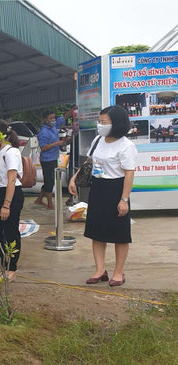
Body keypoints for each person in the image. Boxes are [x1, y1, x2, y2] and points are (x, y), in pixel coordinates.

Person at [69, 105, 136, 287]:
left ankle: (118, 272)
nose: (100, 125)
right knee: (97, 231)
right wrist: (74, 178)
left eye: (104, 122)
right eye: (100, 121)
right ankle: (100, 270)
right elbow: (89, 161)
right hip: (98, 188)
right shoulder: (98, 140)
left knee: (119, 234)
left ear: (117, 123)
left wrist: (124, 200)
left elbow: (129, 173)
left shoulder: (126, 146)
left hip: (116, 189)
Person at [0, 119, 25, 282]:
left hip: (12, 194)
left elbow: (11, 180)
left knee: (10, 231)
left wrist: (6, 205)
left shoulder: (11, 152)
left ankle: (12, 267)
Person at [34, 108, 74, 210]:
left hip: (53, 157)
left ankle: (39, 200)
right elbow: (43, 148)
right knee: (49, 181)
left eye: (53, 118)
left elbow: (64, 117)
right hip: (47, 160)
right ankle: (50, 203)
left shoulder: (54, 126)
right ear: (45, 120)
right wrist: (57, 143)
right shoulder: (43, 132)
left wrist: (73, 109)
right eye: (50, 118)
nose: (53, 120)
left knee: (50, 180)